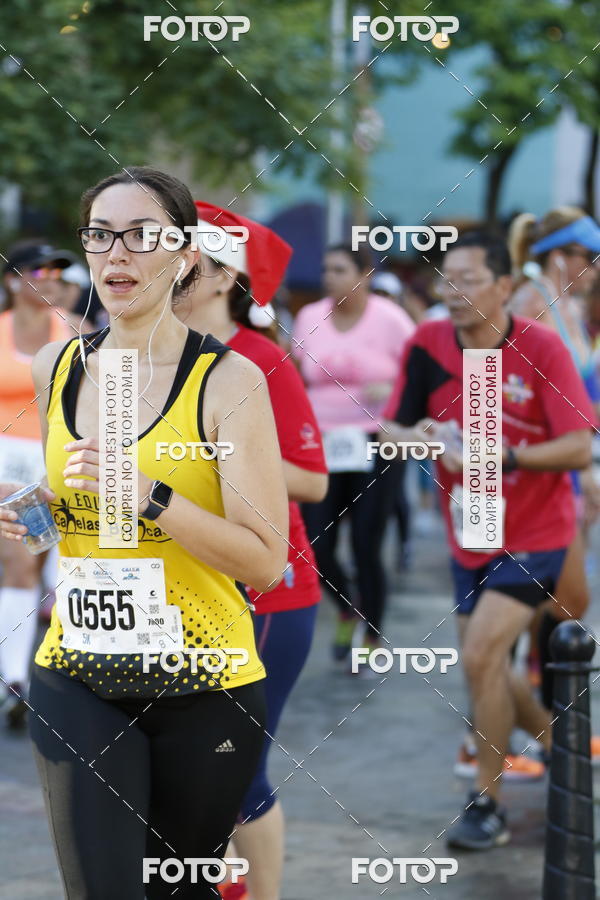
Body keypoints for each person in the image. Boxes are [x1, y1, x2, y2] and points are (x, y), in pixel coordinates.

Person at [0, 166, 289, 899]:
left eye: (141, 235)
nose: (116, 255)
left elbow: (264, 562)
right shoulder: (55, 367)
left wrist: (152, 496)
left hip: (204, 683)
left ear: (185, 254)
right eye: (100, 235)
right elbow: (77, 517)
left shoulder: (228, 382)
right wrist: (30, 513)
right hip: (79, 670)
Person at [382, 231, 596, 849]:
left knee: (480, 659)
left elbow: (579, 447)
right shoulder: (426, 343)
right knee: (490, 674)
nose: (453, 293)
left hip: (536, 533)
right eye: (447, 279)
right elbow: (393, 428)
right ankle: (568, 754)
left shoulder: (543, 349)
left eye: (470, 279)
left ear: (504, 286)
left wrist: (506, 455)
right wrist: (413, 435)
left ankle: (487, 805)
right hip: (468, 533)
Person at [176, 200, 327, 900]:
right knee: (176, 767)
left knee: (236, 769)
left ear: (222, 275)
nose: (170, 268)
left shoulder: (263, 359)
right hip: (172, 592)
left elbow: (314, 478)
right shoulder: (145, 352)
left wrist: (223, 455)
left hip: (266, 595)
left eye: (189, 259)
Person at [292, 244, 415, 660]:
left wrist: (395, 390)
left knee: (366, 543)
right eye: (326, 269)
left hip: (376, 442)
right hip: (323, 443)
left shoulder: (391, 319)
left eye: (340, 269)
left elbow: (417, 378)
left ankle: (372, 638)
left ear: (364, 275)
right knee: (316, 544)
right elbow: (295, 377)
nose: (329, 277)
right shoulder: (310, 317)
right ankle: (347, 610)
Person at [509, 209, 600, 721]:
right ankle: (521, 728)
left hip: (564, 465)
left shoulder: (565, 303)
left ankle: (543, 723)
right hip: (536, 469)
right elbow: (519, 393)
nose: (594, 269)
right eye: (589, 258)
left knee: (558, 600)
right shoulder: (531, 301)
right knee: (548, 600)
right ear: (561, 256)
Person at [0, 241, 78, 727]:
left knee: (58, 563)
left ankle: (68, 673)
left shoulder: (73, 331)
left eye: (57, 271)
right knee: (20, 564)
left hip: (55, 459)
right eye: (39, 270)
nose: (50, 278)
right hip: (5, 461)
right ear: (13, 280)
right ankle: (15, 683)